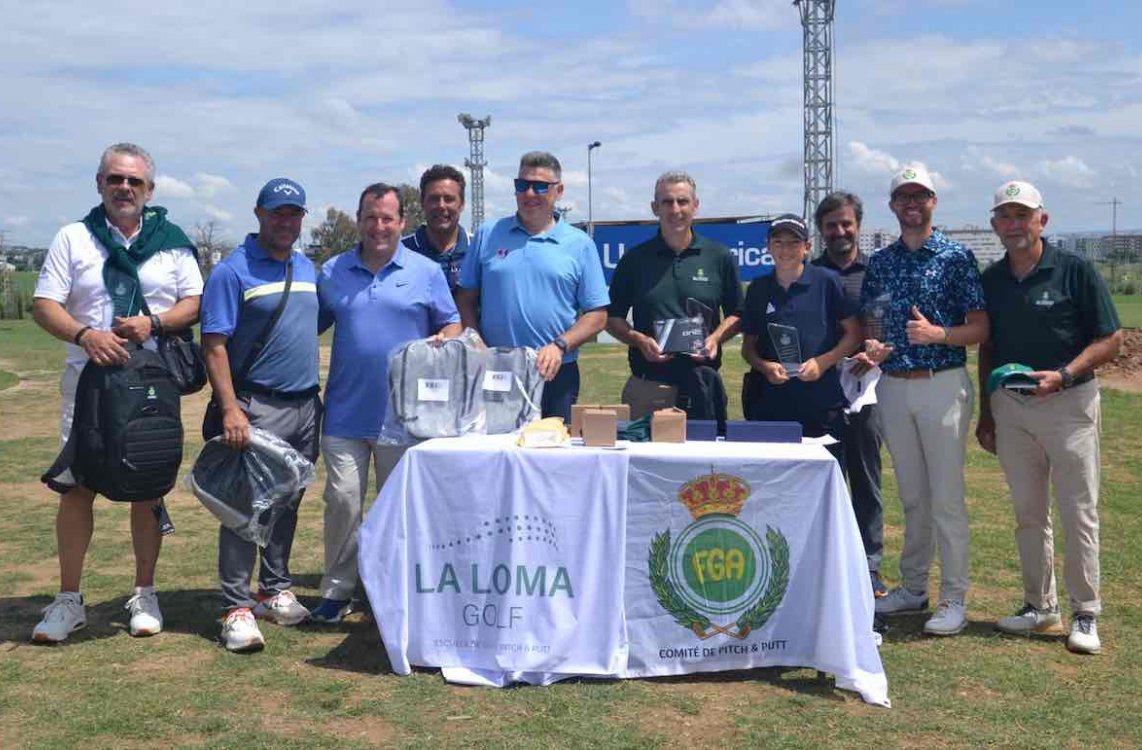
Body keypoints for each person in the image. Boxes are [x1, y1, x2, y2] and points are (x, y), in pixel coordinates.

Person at [31, 142, 203, 642]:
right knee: (76, 485)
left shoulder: (172, 241)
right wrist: (87, 335)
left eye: (134, 181)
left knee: (147, 486)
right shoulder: (73, 238)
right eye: (115, 179)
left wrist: (153, 322)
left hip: (150, 384)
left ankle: (144, 593)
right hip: (88, 383)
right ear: (100, 183)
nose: (124, 188)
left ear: (149, 189)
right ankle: (68, 600)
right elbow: (45, 305)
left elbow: (193, 303)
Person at [978, 180, 1122, 654]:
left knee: (1078, 511)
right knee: (1028, 513)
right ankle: (1040, 606)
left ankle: (1085, 611)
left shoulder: (1074, 270)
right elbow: (988, 347)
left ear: (1043, 219)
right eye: (1006, 216)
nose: (1015, 224)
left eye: (1024, 215)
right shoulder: (994, 279)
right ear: (995, 225)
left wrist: (1063, 374)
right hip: (1012, 407)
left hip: (1068, 403)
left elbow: (1110, 340)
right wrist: (987, 411)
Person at [311, 183, 461, 624]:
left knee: (400, 508)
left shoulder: (425, 271)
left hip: (405, 417)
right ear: (359, 220)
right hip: (344, 412)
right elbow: (307, 324)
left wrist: (441, 340)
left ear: (402, 222)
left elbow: (452, 324)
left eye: (388, 218)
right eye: (371, 217)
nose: (379, 226)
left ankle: (394, 586)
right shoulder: (332, 271)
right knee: (342, 501)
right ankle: (338, 589)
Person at [862, 164, 989, 636]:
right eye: (903, 197)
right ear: (893, 206)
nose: (911, 204)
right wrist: (875, 345)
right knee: (913, 496)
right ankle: (914, 587)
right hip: (894, 385)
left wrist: (940, 333)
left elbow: (980, 327)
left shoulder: (956, 257)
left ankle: (953, 596)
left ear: (933, 201)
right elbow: (874, 322)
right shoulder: (882, 261)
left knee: (947, 498)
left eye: (920, 196)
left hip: (943, 382)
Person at [200, 177, 321, 652]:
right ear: (258, 214)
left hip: (306, 405)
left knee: (288, 500)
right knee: (244, 508)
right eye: (277, 212)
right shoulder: (233, 271)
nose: (285, 221)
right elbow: (213, 345)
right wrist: (230, 407)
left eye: (294, 213)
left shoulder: (308, 266)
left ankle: (273, 590)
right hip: (255, 406)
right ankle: (235, 606)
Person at [456, 151, 609, 422]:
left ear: (558, 191)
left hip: (555, 372)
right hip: (498, 369)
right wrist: (475, 340)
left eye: (540, 186)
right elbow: (465, 298)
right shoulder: (488, 234)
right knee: (497, 455)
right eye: (522, 185)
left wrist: (560, 345)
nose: (530, 193)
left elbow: (597, 315)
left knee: (552, 457)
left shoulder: (579, 244)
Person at [606, 171, 742, 424]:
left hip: (704, 384)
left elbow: (738, 313)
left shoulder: (718, 256)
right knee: (646, 463)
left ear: (696, 206)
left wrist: (714, 339)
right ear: (655, 207)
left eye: (683, 201)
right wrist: (639, 340)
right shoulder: (634, 260)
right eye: (667, 202)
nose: (675, 209)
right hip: (650, 386)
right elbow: (612, 318)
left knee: (708, 462)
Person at [812, 192, 887, 598]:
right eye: (831, 225)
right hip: (823, 389)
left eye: (846, 224)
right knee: (822, 479)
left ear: (857, 224)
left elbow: (892, 324)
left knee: (865, 478)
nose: (839, 232)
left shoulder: (876, 272)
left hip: (868, 388)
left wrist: (879, 349)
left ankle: (869, 566)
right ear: (820, 230)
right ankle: (824, 564)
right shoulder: (811, 274)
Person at [739, 214, 861, 452]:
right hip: (769, 404)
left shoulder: (827, 281)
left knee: (823, 483)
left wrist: (822, 362)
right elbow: (748, 348)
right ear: (768, 247)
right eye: (778, 242)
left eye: (793, 242)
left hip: (820, 403)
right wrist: (765, 367)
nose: (786, 249)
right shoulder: (758, 288)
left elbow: (854, 334)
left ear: (807, 247)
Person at [402, 164, 470, 294]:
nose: (441, 206)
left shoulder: (478, 250)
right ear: (422, 203)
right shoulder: (401, 252)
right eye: (434, 199)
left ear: (462, 204)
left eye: (449, 199)